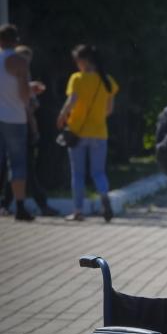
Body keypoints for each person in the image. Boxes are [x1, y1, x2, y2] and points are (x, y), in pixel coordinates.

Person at [56, 44, 119, 222]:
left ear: (83, 61)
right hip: (99, 132)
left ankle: (78, 211)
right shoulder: (107, 80)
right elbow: (109, 110)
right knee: (98, 172)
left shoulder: (77, 78)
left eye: (77, 61)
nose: (76, 64)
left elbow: (72, 102)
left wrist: (62, 115)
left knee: (78, 174)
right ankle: (104, 198)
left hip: (77, 132)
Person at [0, 46, 58, 217]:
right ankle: (34, 204)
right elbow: (26, 104)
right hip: (19, 125)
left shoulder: (12, 74)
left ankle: (8, 203)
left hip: (14, 123)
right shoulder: (19, 75)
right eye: (25, 60)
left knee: (15, 168)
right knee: (22, 168)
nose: (27, 63)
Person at [0, 24, 33, 221]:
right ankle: (19, 206)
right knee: (17, 162)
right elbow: (23, 93)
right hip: (15, 116)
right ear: (16, 40)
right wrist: (30, 94)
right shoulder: (18, 61)